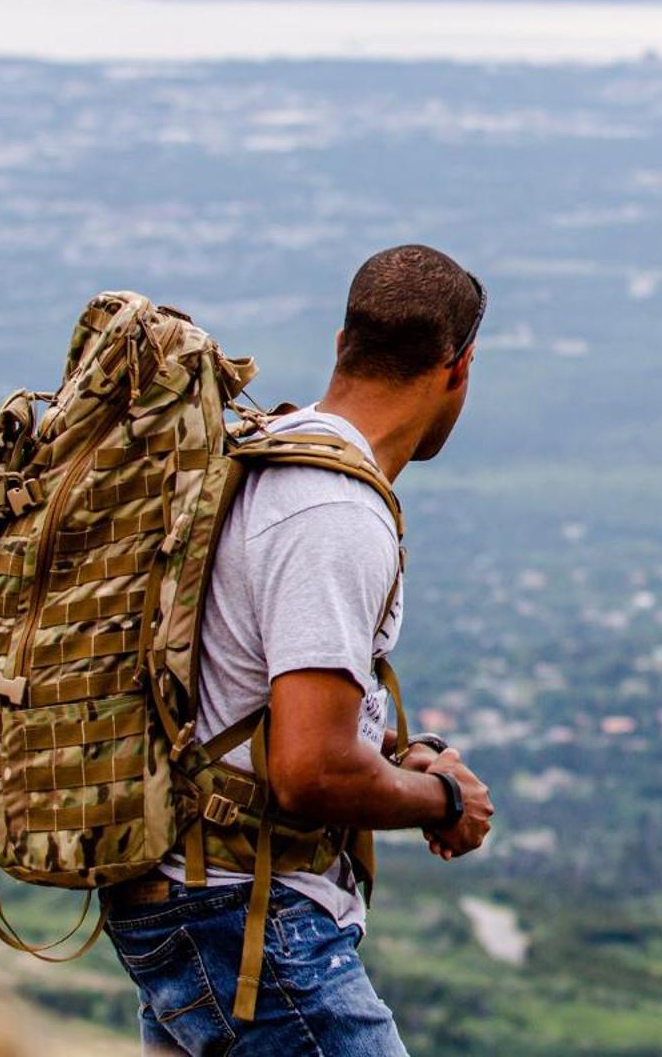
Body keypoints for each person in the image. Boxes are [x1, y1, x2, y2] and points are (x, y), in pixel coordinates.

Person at [101, 244, 495, 1055]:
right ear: (458, 369)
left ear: (342, 342)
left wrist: (399, 757)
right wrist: (445, 802)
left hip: (192, 895)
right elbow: (309, 768)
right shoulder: (333, 511)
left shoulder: (265, 450)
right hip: (249, 915)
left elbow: (249, 701)